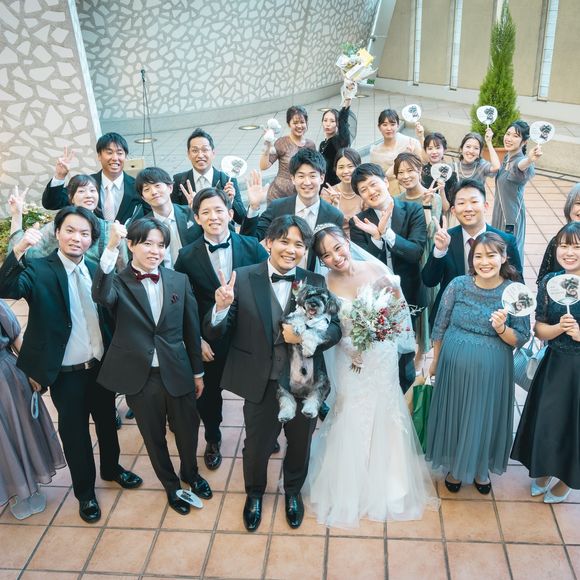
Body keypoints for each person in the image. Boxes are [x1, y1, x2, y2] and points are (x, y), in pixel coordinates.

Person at [0, 206, 142, 523]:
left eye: (84, 233)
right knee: (75, 434)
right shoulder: (39, 269)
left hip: (100, 367)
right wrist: (19, 248)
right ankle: (85, 494)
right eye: (70, 230)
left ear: (92, 239)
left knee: (107, 423)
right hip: (66, 375)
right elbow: (5, 289)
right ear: (58, 233)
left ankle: (112, 468)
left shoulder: (96, 268)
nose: (77, 238)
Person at [204, 215, 341, 532]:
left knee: (300, 444)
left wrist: (311, 338)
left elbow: (334, 327)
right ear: (268, 243)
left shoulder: (315, 281)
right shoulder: (242, 277)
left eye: (299, 244)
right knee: (256, 445)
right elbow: (214, 332)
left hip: (304, 381)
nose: (291, 249)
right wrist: (220, 307)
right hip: (260, 380)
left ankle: (293, 491)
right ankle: (254, 493)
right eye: (284, 241)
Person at [303, 225, 438, 527]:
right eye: (326, 255)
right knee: (351, 410)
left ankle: (390, 482)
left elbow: (398, 309)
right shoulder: (324, 284)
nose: (335, 257)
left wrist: (390, 324)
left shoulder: (376, 268)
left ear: (347, 241)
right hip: (350, 361)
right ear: (321, 261)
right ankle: (350, 484)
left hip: (381, 357)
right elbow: (326, 327)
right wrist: (351, 348)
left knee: (385, 410)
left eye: (338, 247)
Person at [93, 217, 211, 515]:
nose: (155, 251)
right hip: (140, 376)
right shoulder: (118, 281)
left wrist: (198, 372)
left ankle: (191, 473)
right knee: (153, 436)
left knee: (188, 430)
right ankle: (171, 486)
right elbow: (101, 296)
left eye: (160, 245)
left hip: (178, 369)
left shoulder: (178, 280)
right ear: (131, 244)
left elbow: (191, 329)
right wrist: (110, 248)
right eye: (147, 243)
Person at [426, 232, 530, 494]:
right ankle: (455, 466)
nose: (485, 262)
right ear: (472, 259)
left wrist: (501, 328)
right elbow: (440, 325)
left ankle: (481, 468)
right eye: (478, 256)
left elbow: (521, 337)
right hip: (454, 366)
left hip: (493, 369)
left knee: (484, 417)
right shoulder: (458, 285)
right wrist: (436, 360)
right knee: (456, 415)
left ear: (504, 257)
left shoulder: (515, 292)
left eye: (491, 255)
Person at [174, 187, 268, 470]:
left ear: (229, 213)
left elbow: (266, 292)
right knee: (209, 394)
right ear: (197, 218)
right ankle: (213, 437)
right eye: (206, 212)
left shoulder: (252, 247)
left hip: (249, 336)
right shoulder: (186, 256)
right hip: (211, 336)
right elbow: (183, 303)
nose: (213, 217)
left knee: (257, 389)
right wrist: (196, 339)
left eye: (218, 210)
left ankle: (260, 432)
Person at [511, 221, 580, 503]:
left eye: (576, 247)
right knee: (549, 420)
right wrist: (559, 328)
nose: (569, 252)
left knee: (573, 425)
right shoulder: (550, 282)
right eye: (564, 245)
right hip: (554, 364)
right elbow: (539, 329)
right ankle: (544, 469)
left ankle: (566, 480)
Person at [348, 162, 427, 392]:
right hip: (377, 300)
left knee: (406, 358)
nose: (371, 192)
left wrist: (386, 233)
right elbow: (364, 266)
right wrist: (374, 238)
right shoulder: (359, 222)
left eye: (374, 184)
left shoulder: (412, 210)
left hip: (409, 294)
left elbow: (415, 253)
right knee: (381, 353)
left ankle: (405, 396)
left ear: (385, 181)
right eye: (363, 190)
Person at [422, 178, 523, 326]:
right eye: (461, 203)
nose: (468, 208)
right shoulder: (446, 238)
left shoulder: (506, 240)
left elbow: (518, 285)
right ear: (453, 210)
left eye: (474, 202)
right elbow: (429, 281)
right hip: (452, 317)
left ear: (485, 206)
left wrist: (513, 324)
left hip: (493, 318)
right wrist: (440, 250)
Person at [0, 299, 66, 520]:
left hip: (6, 378)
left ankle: (31, 486)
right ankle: (14, 490)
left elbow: (15, 337)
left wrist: (31, 370)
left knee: (22, 430)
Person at [243, 148, 343, 270]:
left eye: (312, 176)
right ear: (293, 179)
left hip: (315, 277)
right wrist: (254, 207)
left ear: (321, 178)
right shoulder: (277, 207)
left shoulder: (334, 215)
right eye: (301, 176)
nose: (307, 182)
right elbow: (249, 240)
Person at [8, 176, 129, 269]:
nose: (89, 195)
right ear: (71, 197)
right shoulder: (58, 225)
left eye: (93, 190)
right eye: (81, 191)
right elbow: (20, 254)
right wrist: (17, 214)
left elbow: (122, 268)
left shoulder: (110, 228)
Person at [394, 152, 443, 369]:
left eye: (410, 170)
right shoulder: (396, 200)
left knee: (426, 304)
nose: (405, 176)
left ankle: (422, 351)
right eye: (401, 172)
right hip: (404, 259)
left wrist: (426, 207)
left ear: (420, 170)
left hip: (426, 258)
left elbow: (432, 233)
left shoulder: (434, 197)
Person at [41, 133, 145, 223]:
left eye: (120, 153)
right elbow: (51, 203)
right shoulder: (86, 183)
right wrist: (60, 176)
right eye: (109, 153)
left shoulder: (138, 187)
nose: (115, 158)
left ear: (125, 156)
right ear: (99, 156)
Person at [170, 128, 246, 226]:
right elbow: (174, 217)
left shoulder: (227, 180)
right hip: (193, 235)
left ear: (213, 153)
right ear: (188, 154)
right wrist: (190, 210)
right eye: (195, 150)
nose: (200, 155)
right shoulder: (180, 181)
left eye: (205, 150)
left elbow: (241, 219)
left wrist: (231, 201)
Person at [491, 121, 542, 262]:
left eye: (515, 136)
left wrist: (530, 159)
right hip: (499, 212)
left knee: (509, 258)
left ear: (524, 142)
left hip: (510, 218)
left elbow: (520, 166)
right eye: (508, 134)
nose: (509, 138)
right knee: (496, 253)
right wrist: (488, 142)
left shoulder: (521, 161)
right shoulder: (508, 157)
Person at [135, 167, 202, 268]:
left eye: (157, 185)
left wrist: (201, 209)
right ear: (143, 198)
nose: (154, 192)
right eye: (147, 189)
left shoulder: (191, 213)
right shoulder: (142, 227)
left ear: (170, 188)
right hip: (163, 275)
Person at [259, 105, 316, 202]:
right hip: (278, 195)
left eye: (302, 122)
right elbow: (263, 166)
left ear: (306, 123)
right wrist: (267, 144)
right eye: (295, 123)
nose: (299, 126)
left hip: (301, 195)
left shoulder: (311, 145)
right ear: (289, 124)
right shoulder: (281, 142)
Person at [369, 109, 422, 197]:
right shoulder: (375, 152)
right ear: (379, 127)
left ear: (398, 125)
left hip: (413, 193)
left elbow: (423, 163)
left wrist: (421, 137)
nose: (389, 128)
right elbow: (376, 179)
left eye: (392, 124)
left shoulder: (410, 142)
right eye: (385, 125)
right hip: (390, 196)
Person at [537, 183, 580, 284]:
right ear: (569, 206)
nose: (570, 252)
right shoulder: (556, 241)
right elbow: (543, 280)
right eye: (578, 203)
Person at [320, 147, 363, 238]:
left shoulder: (364, 192)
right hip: (335, 239)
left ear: (358, 167)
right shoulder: (327, 193)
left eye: (350, 166)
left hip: (361, 240)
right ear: (336, 170)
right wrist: (335, 204)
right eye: (341, 167)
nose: (346, 171)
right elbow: (324, 226)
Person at [319, 88, 355, 185]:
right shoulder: (322, 144)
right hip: (323, 184)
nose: (328, 124)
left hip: (336, 184)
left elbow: (343, 120)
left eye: (332, 121)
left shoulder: (338, 141)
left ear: (337, 124)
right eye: (325, 120)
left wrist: (348, 98)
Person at [419, 132, 457, 222]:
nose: (434, 152)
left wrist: (442, 189)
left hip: (439, 221)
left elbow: (446, 208)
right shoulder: (420, 172)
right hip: (420, 216)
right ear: (425, 150)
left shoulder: (450, 175)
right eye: (430, 148)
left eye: (438, 148)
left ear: (445, 150)